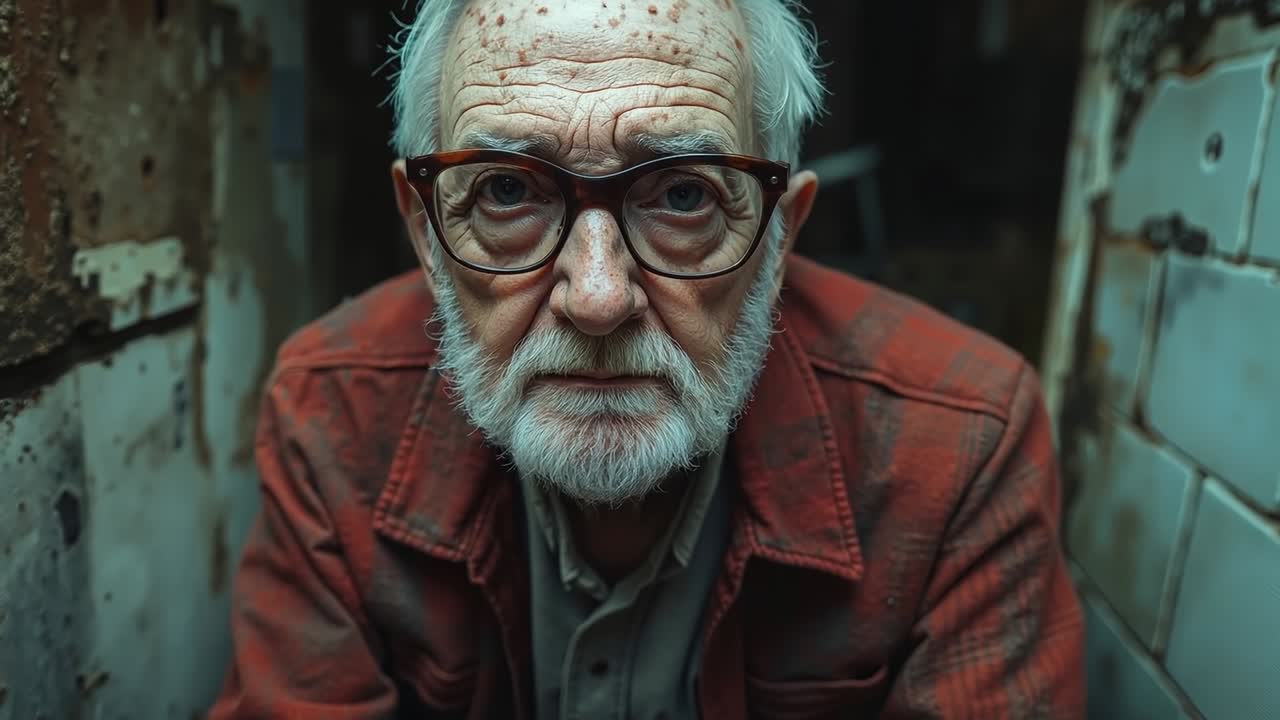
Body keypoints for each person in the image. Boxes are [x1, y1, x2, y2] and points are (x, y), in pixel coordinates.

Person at [209, 0, 1085, 717]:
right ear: (426, 234)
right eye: (508, 190)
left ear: (779, 236)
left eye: (682, 195)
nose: (597, 297)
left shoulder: (961, 442)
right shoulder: (327, 415)